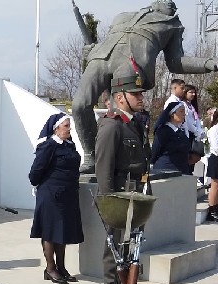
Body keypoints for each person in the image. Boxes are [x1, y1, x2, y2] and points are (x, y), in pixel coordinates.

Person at [72, 1, 218, 174]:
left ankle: (121, 161)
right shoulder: (123, 16)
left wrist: (208, 63)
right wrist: (92, 49)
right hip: (100, 59)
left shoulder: (173, 24)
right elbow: (109, 40)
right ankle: (91, 154)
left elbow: (176, 62)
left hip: (131, 64)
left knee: (119, 115)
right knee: (79, 105)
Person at [95, 74, 150, 284]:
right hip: (119, 199)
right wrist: (109, 205)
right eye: (135, 94)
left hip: (135, 197)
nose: (140, 98)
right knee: (115, 253)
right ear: (120, 98)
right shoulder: (112, 126)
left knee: (131, 252)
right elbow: (104, 169)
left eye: (140, 93)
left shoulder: (133, 123)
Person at [29, 113, 83, 284]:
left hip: (68, 194)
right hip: (51, 195)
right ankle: (50, 268)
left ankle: (61, 268)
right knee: (50, 232)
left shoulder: (69, 145)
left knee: (62, 232)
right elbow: (35, 173)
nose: (69, 129)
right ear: (56, 129)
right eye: (66, 126)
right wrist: (42, 185)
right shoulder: (48, 146)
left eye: (69, 126)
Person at [151, 101, 191, 174]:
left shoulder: (181, 131)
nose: (184, 114)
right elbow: (155, 150)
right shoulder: (163, 131)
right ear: (172, 114)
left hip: (181, 170)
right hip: (166, 170)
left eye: (184, 111)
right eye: (181, 111)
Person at [182, 84, 206, 173]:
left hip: (194, 134)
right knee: (188, 158)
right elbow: (187, 121)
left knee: (194, 158)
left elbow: (196, 120)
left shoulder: (191, 106)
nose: (193, 94)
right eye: (190, 92)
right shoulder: (183, 104)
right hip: (188, 133)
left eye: (194, 93)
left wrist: (200, 131)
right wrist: (196, 131)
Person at [206, 110, 218, 221]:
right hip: (216, 158)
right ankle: (212, 209)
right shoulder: (214, 130)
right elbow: (215, 147)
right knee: (215, 185)